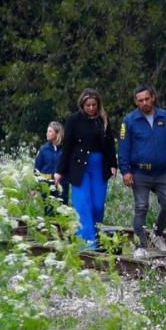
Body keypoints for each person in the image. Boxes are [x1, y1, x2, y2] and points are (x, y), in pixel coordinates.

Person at [117, 84, 166, 255]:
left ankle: (157, 234)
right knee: (141, 206)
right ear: (136, 102)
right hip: (140, 172)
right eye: (140, 100)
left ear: (153, 98)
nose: (144, 103)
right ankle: (141, 245)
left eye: (147, 99)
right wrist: (125, 171)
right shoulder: (129, 121)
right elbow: (123, 147)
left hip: (162, 171)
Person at [54, 89, 115, 249]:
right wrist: (60, 171)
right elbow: (67, 146)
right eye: (88, 105)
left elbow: (110, 144)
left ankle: (96, 234)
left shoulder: (103, 119)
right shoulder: (74, 120)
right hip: (79, 166)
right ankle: (86, 242)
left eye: (94, 104)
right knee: (82, 203)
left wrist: (113, 164)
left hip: (99, 165)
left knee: (98, 204)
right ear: (82, 105)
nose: (91, 108)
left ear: (98, 104)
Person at [34, 120, 66, 204]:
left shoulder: (65, 149)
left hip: (62, 185)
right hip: (46, 185)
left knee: (62, 211)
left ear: (57, 133)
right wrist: (35, 188)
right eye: (47, 131)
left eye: (50, 131)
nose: (47, 133)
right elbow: (37, 169)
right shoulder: (43, 149)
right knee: (48, 211)